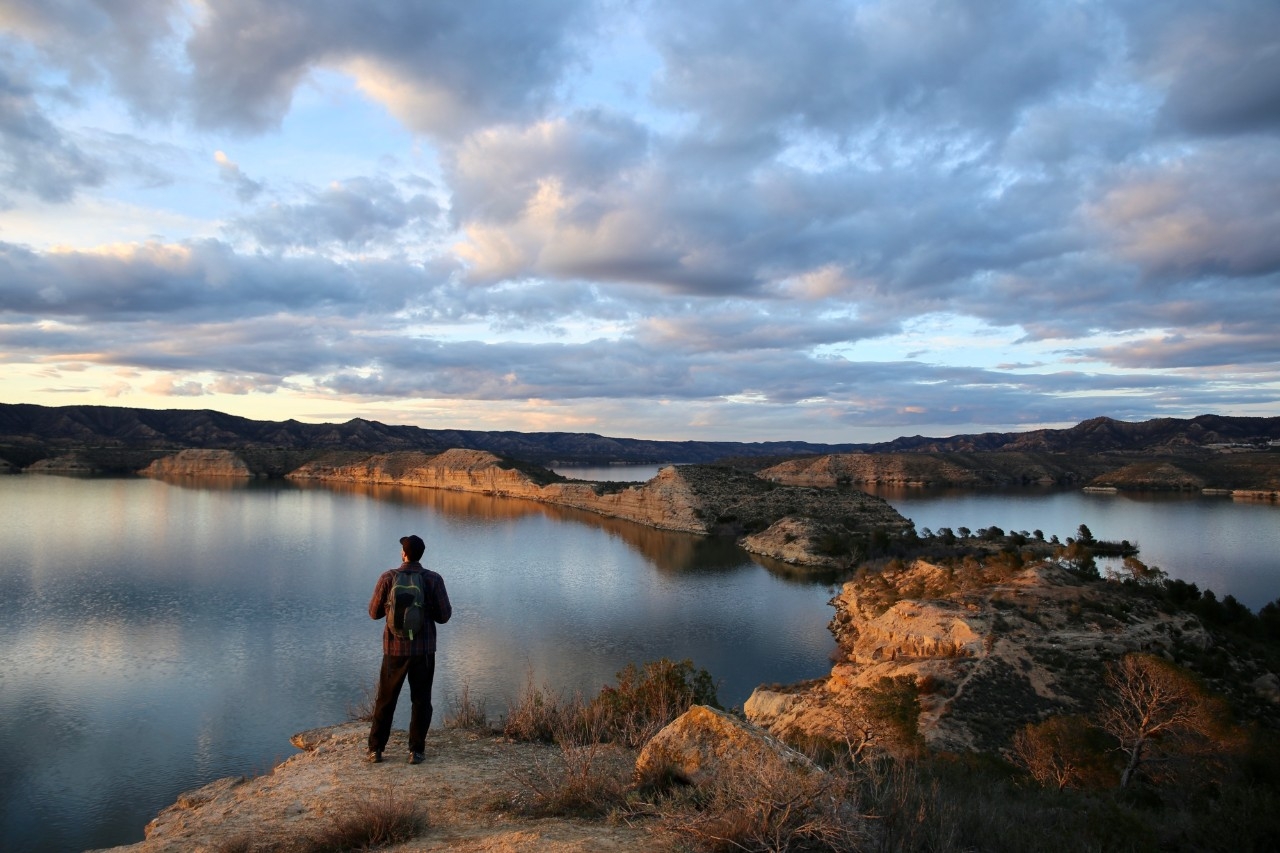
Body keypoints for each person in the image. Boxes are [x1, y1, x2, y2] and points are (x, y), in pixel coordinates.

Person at [366, 534, 452, 764]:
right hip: (423, 652)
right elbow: (444, 617)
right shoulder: (433, 579)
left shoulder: (388, 577)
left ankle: (376, 750)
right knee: (421, 700)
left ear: (403, 554)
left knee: (386, 700)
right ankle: (416, 751)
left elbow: (374, 613)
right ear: (421, 555)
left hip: (394, 650)